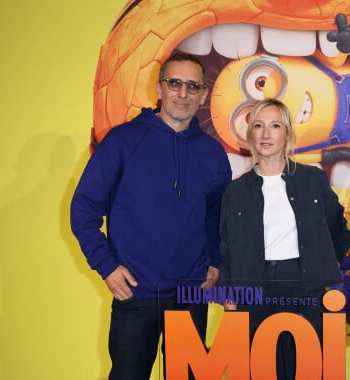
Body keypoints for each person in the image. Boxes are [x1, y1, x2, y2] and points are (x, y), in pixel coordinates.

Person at [70, 51, 232, 380]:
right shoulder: (123, 140)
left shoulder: (212, 153)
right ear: (159, 89)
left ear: (202, 94)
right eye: (174, 83)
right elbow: (83, 208)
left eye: (192, 86)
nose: (182, 93)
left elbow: (219, 216)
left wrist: (215, 262)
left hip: (190, 295)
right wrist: (106, 266)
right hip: (135, 295)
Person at [219, 98, 350, 379]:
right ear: (250, 133)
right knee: (260, 372)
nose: (266, 134)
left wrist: (325, 271)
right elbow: (226, 248)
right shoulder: (235, 192)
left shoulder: (312, 179)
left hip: (306, 289)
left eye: (275, 126)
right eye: (259, 126)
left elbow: (338, 230)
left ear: (287, 133)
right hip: (254, 290)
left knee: (309, 371)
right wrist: (230, 298)